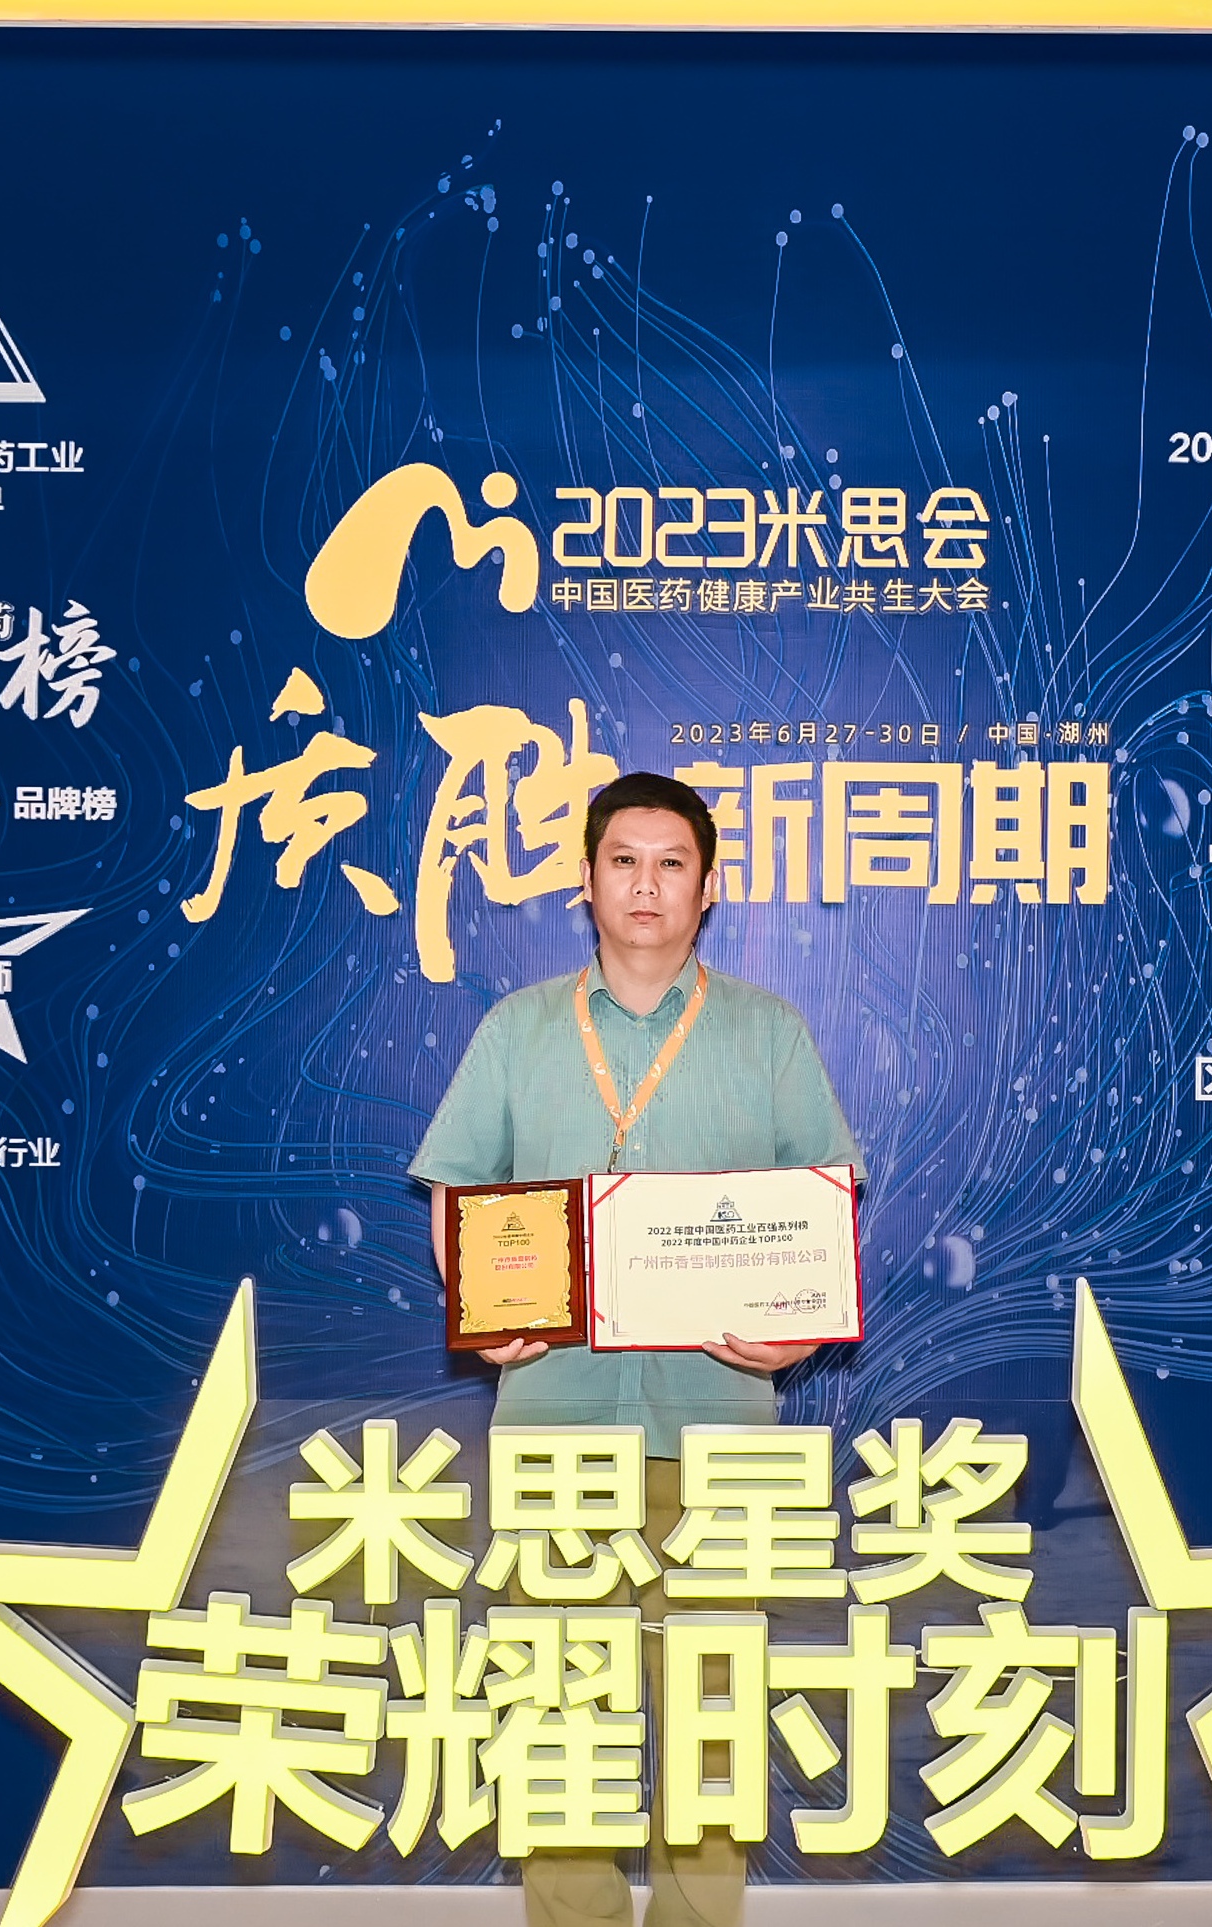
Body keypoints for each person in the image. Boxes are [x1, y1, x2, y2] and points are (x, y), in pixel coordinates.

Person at [409, 770, 864, 1927]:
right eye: (623, 860)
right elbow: (456, 1189)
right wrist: (480, 1300)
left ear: (707, 888)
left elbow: (825, 1194)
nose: (645, 884)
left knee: (712, 1712)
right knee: (559, 1708)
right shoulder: (518, 1029)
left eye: (671, 863)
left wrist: (797, 1327)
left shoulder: (767, 1031)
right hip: (555, 1418)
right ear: (587, 880)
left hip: (721, 1428)